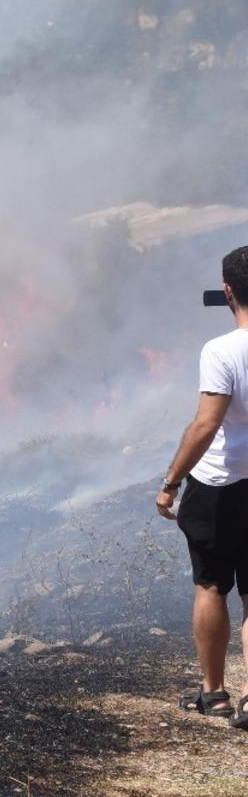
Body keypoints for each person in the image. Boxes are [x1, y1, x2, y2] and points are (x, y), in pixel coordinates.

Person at [158, 245, 248, 728]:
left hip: (220, 483)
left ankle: (214, 694)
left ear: (228, 290)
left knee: (212, 583)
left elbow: (205, 424)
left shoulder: (221, 350)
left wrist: (170, 482)